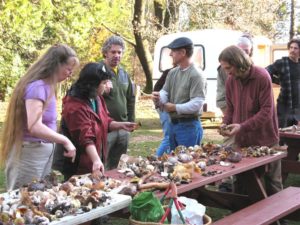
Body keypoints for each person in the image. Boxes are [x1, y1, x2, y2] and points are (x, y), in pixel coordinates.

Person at [0, 44, 79, 191]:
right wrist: (65, 140)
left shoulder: (48, 87)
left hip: (41, 151)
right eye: (68, 69)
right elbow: (34, 126)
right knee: (22, 199)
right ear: (56, 65)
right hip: (30, 153)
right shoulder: (38, 87)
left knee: (38, 198)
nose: (70, 73)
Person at [219, 45, 283, 196]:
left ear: (239, 63)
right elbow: (231, 108)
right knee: (242, 180)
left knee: (273, 181)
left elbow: (267, 110)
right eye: (225, 69)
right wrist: (225, 123)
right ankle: (241, 215)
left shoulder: (262, 76)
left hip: (266, 138)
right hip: (242, 141)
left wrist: (242, 126)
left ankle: (279, 219)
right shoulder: (230, 80)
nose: (227, 72)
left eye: (229, 68)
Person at [59, 63, 136, 180]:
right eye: (104, 83)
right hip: (78, 165)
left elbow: (104, 120)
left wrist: (120, 125)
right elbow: (85, 137)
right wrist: (96, 159)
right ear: (93, 84)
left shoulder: (97, 98)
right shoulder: (74, 106)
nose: (106, 86)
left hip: (95, 161)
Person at [152, 37, 206, 151]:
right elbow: (165, 92)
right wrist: (158, 98)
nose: (170, 54)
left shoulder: (196, 74)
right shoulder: (172, 72)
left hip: (189, 127)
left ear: (183, 53)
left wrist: (174, 107)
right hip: (173, 125)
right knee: (174, 164)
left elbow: (197, 103)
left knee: (188, 165)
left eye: (173, 51)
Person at [100, 35, 136, 170]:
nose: (117, 55)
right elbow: (87, 96)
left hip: (123, 126)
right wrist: (102, 90)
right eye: (113, 52)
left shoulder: (124, 74)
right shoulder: (97, 70)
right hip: (105, 128)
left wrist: (131, 121)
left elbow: (130, 99)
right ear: (105, 53)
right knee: (101, 163)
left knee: (118, 164)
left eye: (119, 52)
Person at [266, 38, 300, 128]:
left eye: (295, 48)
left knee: (296, 134)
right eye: (291, 48)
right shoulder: (281, 63)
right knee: (281, 132)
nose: (292, 50)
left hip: (298, 107)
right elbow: (265, 72)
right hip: (284, 106)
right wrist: (279, 81)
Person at [216, 33, 254, 114]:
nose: (243, 54)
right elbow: (221, 99)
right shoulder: (224, 69)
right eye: (240, 51)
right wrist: (231, 119)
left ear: (250, 51)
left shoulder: (257, 72)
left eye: (246, 51)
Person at [153, 68, 172, 157]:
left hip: (168, 108)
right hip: (165, 108)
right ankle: (156, 158)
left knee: (170, 137)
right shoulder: (170, 72)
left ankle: (165, 156)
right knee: (168, 137)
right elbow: (156, 90)